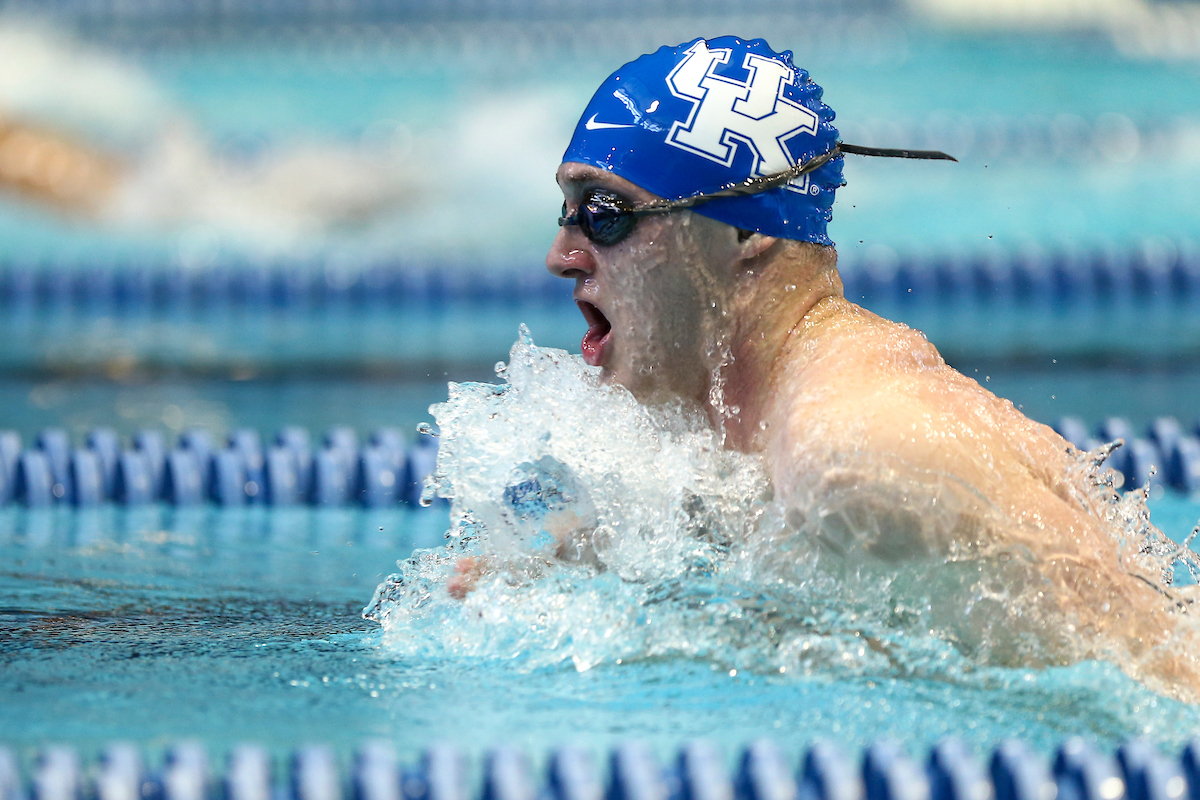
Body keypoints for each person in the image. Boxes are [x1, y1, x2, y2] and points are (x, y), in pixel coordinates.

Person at [457, 36, 1197, 698]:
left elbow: (1163, 687)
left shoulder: (859, 455)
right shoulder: (769, 416)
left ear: (744, 229)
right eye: (568, 211)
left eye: (606, 213)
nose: (561, 257)